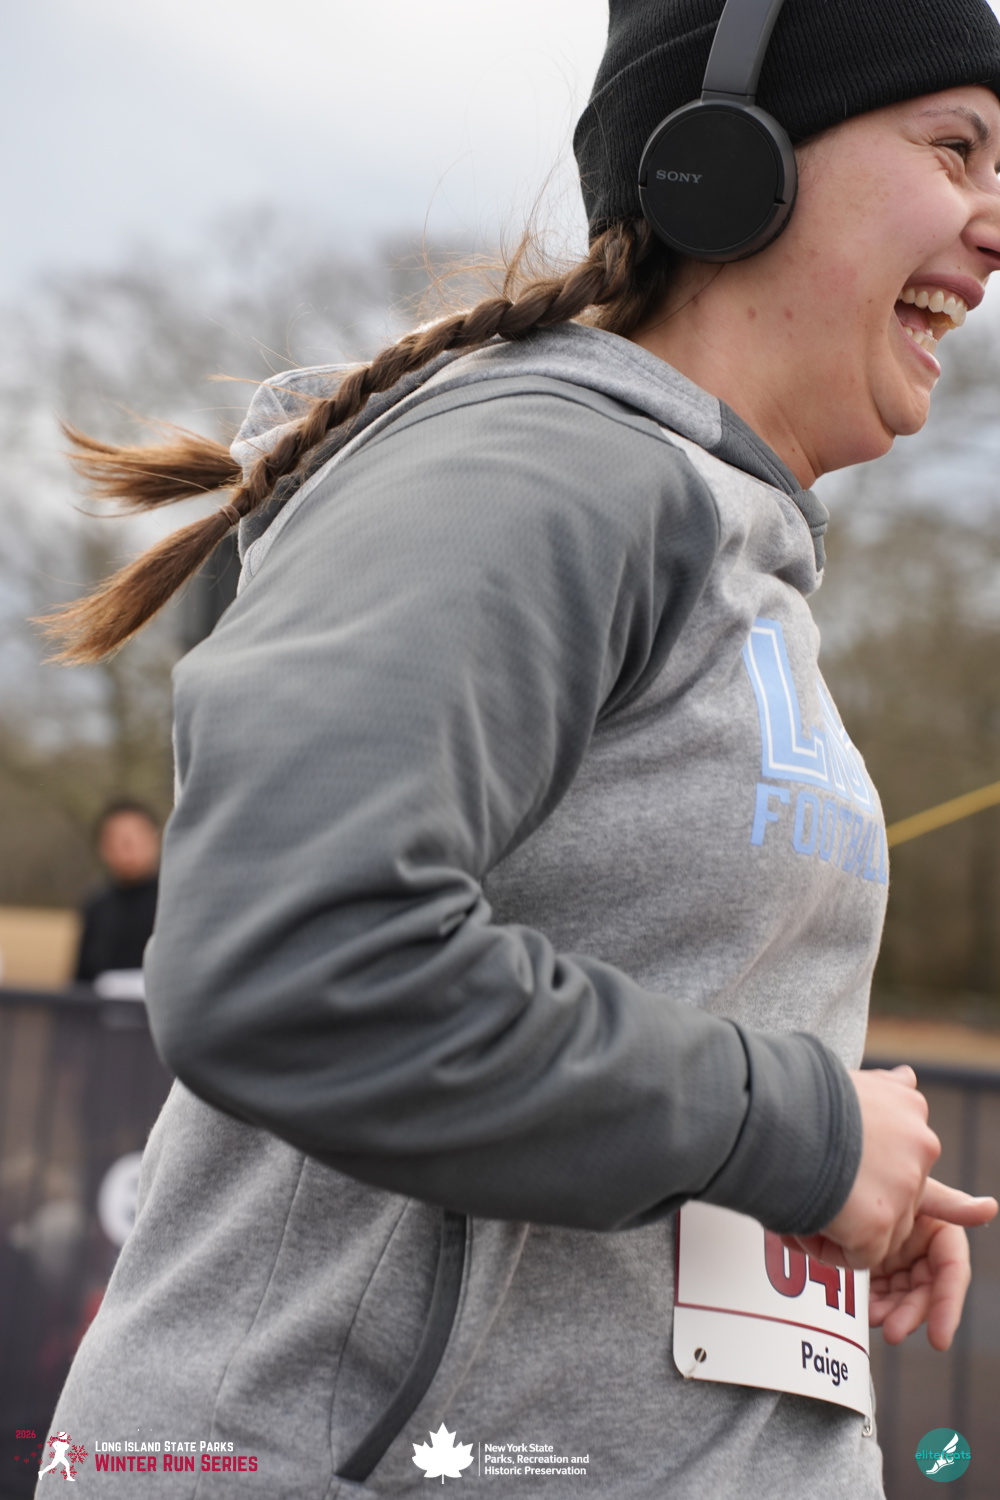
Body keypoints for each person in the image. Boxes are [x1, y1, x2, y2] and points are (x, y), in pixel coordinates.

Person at [36, 1, 1000, 1495]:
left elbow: (630, 1022)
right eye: (955, 149)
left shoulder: (730, 543)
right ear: (733, 157)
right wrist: (801, 1129)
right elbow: (298, 964)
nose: (994, 222)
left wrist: (813, 1184)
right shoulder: (544, 469)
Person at [74, 801, 160, 986]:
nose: (128, 847)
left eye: (136, 836)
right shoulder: (96, 906)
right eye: (117, 839)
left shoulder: (174, 901)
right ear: (103, 847)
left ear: (154, 840)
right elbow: (81, 980)